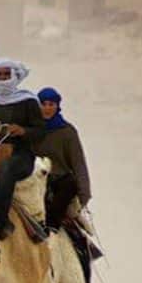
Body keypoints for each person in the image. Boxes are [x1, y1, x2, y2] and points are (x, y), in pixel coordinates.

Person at [0, 58, 46, 240]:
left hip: (20, 154)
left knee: (8, 169)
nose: (2, 78)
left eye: (6, 74)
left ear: (14, 75)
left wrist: (23, 130)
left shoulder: (28, 101)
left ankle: (0, 221)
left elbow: (41, 131)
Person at [33, 87, 92, 229]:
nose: (47, 108)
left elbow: (78, 163)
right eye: (43, 104)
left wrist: (84, 195)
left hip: (59, 183)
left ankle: (53, 226)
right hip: (34, 178)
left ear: (57, 106)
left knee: (69, 184)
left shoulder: (67, 132)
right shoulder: (31, 129)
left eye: (51, 104)